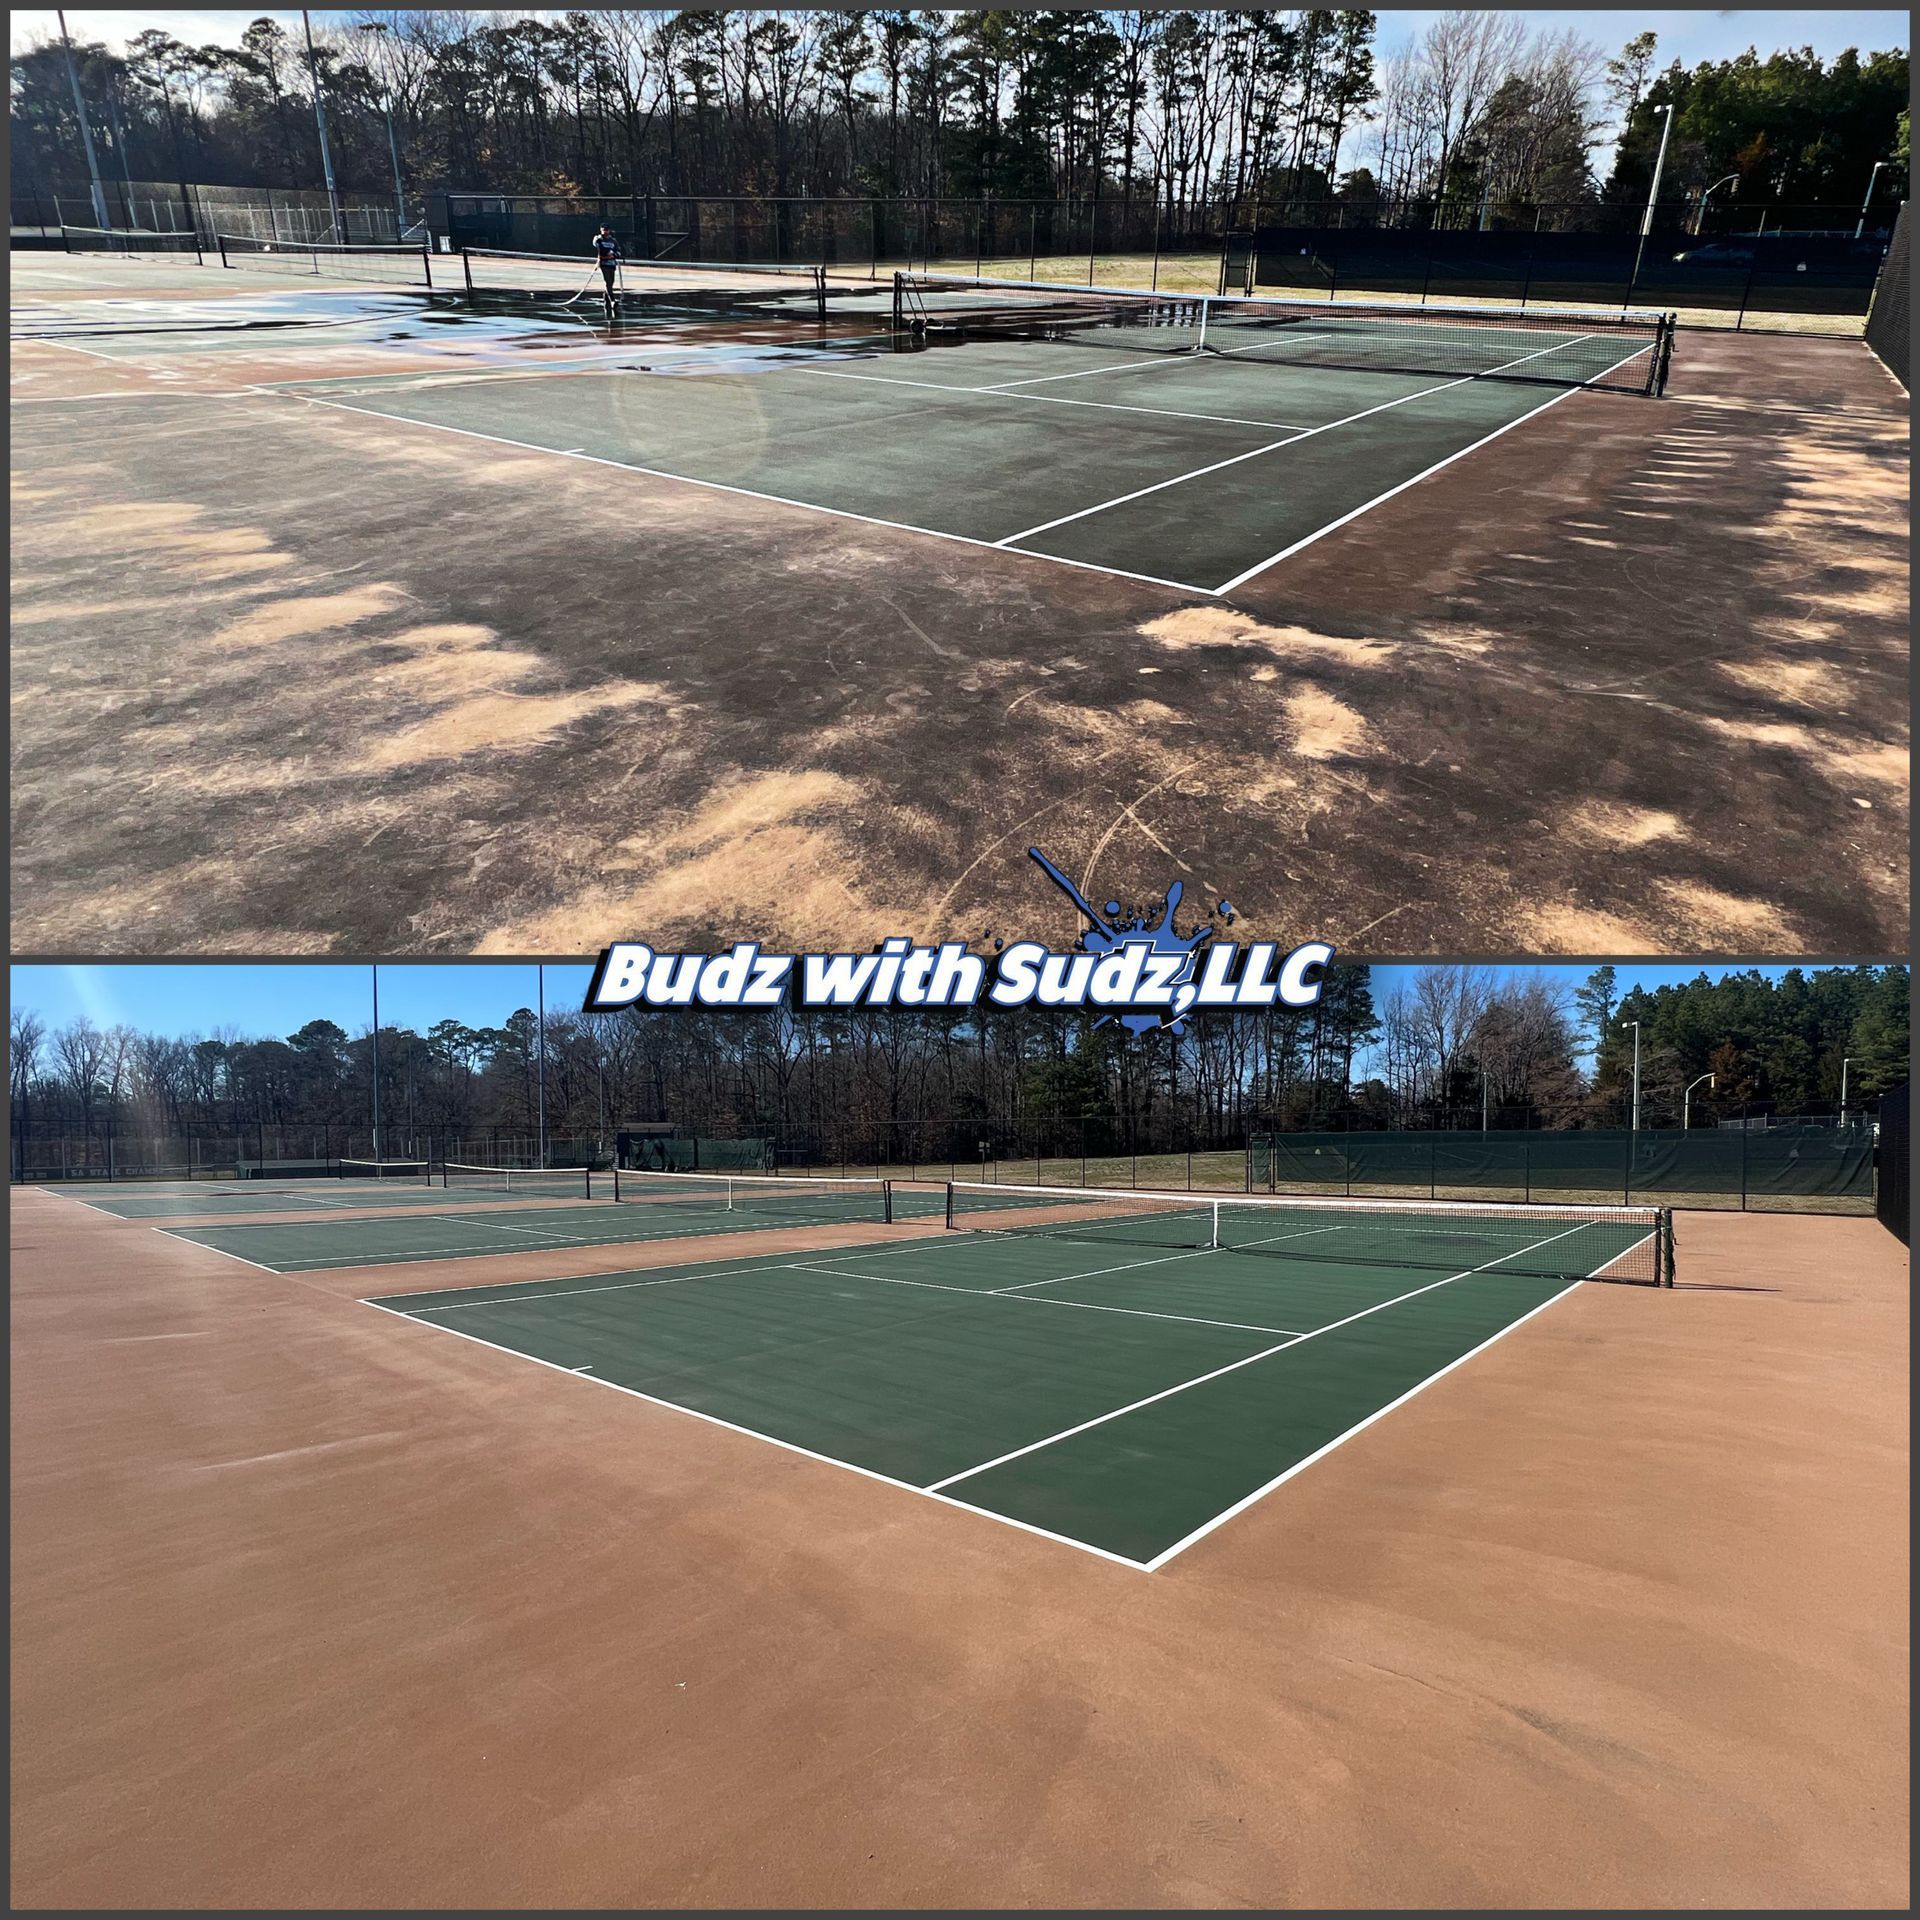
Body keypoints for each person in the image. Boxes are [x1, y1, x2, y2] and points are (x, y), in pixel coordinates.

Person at [590, 225, 622, 318]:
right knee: (607, 281)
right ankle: (612, 301)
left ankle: (606, 302)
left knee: (611, 283)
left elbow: (619, 250)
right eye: (603, 230)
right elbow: (596, 244)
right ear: (601, 230)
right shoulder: (598, 239)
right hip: (604, 264)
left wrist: (614, 255)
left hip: (612, 264)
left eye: (607, 230)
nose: (605, 232)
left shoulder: (613, 241)